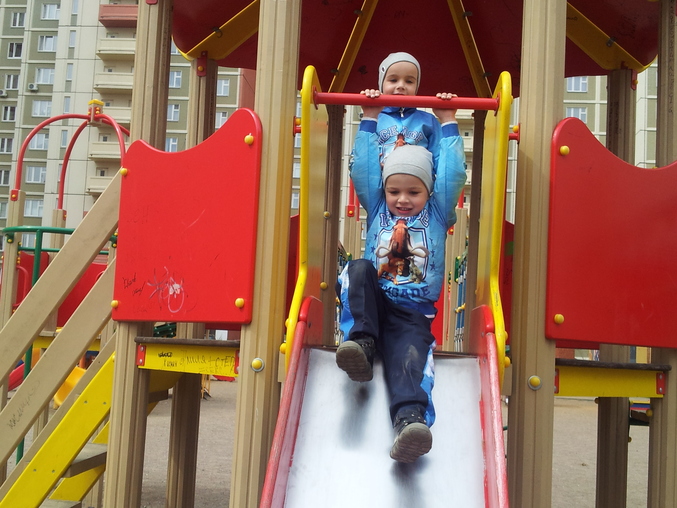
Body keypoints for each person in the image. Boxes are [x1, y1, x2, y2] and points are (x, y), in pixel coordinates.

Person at [335, 52, 467, 464]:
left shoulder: (438, 211)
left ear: (429, 191)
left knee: (411, 359)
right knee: (356, 269)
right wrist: (369, 119)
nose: (403, 199)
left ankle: (410, 423)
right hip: (377, 303)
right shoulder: (378, 207)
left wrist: (448, 122)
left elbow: (451, 175)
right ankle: (361, 343)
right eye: (395, 191)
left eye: (413, 191)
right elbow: (364, 173)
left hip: (412, 313)